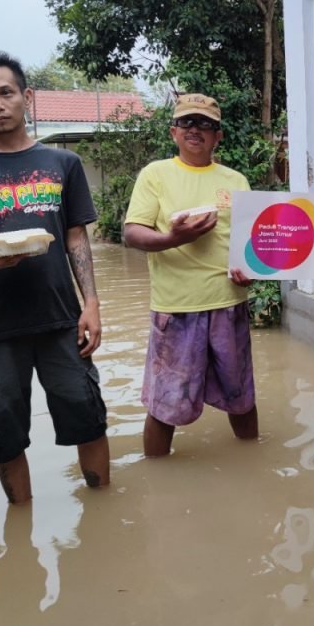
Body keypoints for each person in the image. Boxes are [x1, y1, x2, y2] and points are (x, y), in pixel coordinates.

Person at [0, 51, 109, 503]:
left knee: (86, 415)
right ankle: (21, 524)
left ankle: (103, 511)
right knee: (1, 432)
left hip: (60, 319)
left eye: (6, 92)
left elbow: (75, 238)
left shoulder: (62, 164)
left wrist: (90, 304)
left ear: (26, 97)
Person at [122, 93, 258, 456]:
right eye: (187, 122)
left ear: (219, 137)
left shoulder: (237, 180)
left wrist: (253, 271)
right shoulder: (155, 175)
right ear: (173, 132)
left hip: (229, 303)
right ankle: (156, 475)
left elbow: (251, 244)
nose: (195, 130)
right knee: (165, 404)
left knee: (241, 397)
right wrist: (172, 238)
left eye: (206, 125)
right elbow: (132, 232)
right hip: (176, 308)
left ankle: (253, 466)